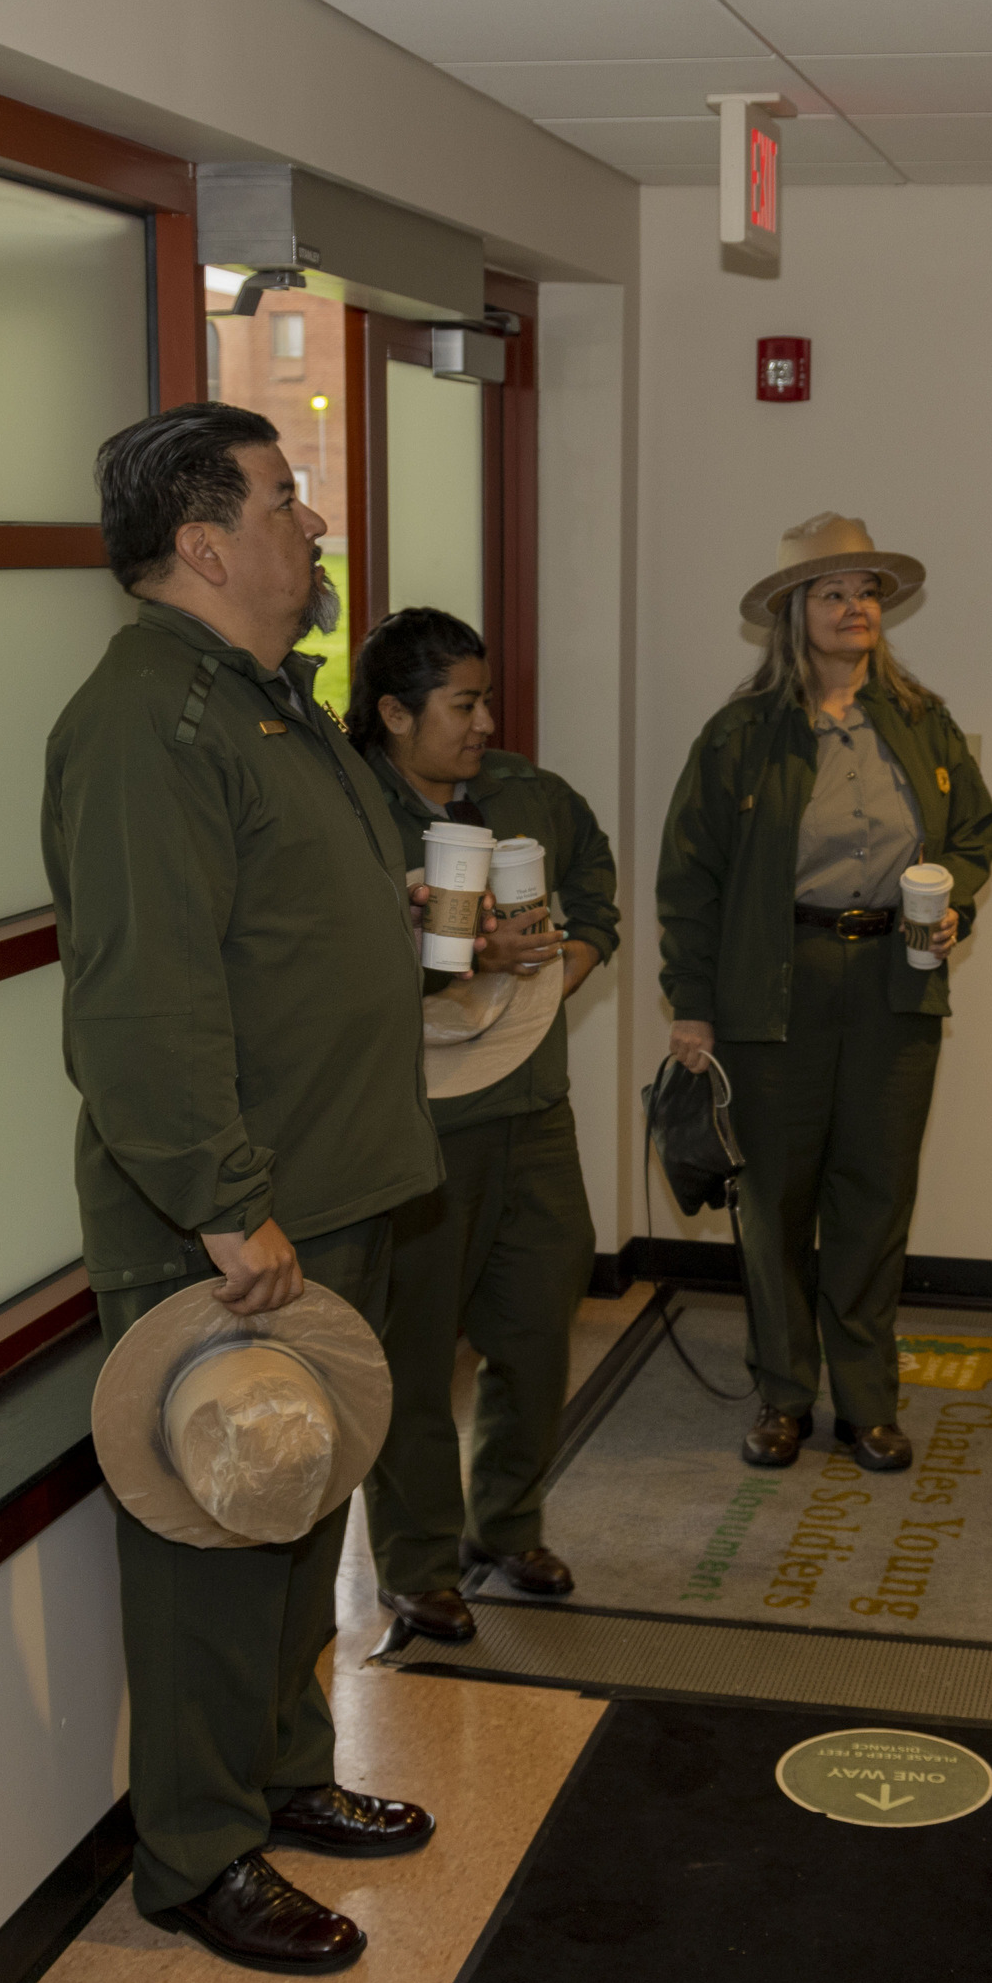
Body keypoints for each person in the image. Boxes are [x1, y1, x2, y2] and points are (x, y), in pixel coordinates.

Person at [42, 400, 445, 1975]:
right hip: (234, 1222)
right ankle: (199, 1850)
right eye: (288, 500)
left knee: (301, 1501)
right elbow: (138, 1000)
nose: (316, 525)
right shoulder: (152, 717)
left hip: (330, 1185)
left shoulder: (259, 698)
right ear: (204, 543)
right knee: (219, 1531)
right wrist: (222, 1205)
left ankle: (285, 1773)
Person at [655, 513, 992, 1473]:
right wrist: (691, 1003)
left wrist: (954, 901)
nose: (857, 608)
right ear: (794, 613)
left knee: (876, 1197)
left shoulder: (922, 720)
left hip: (898, 981)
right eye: (835, 593)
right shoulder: (740, 736)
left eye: (869, 592)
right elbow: (690, 881)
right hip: (775, 986)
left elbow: (973, 833)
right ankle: (781, 1398)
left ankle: (868, 1404)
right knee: (773, 1205)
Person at [347, 605, 619, 1642]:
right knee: (413, 1355)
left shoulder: (529, 795)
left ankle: (505, 1524)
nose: (482, 720)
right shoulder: (345, 811)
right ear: (392, 712)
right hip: (412, 1125)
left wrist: (553, 973)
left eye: (484, 697)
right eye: (461, 703)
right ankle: (415, 1562)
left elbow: (596, 897)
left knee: (536, 1333)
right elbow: (316, 959)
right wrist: (451, 960)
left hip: (532, 1112)